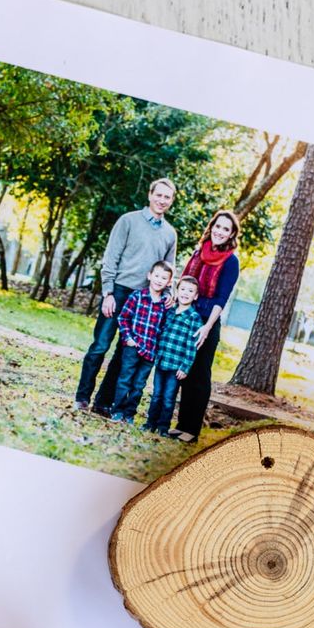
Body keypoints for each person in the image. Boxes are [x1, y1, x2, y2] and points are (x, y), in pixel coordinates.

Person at [74, 178, 177, 411]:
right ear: (150, 195)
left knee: (125, 354)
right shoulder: (128, 221)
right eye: (158, 195)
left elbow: (169, 267)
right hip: (119, 291)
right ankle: (82, 397)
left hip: (145, 299)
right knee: (100, 346)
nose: (162, 200)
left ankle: (103, 403)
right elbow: (111, 257)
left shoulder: (170, 234)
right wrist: (108, 292)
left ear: (171, 201)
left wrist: (169, 291)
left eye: (167, 197)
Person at [170, 209, 240, 443]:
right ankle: (180, 425)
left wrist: (208, 327)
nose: (220, 232)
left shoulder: (231, 261)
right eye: (218, 226)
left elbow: (222, 298)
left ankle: (192, 429)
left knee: (199, 375)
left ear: (231, 234)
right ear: (212, 227)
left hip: (206, 322)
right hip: (185, 317)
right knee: (183, 373)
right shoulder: (199, 252)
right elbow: (184, 282)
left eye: (225, 229)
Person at [109, 261, 173, 422]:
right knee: (125, 380)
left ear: (169, 282)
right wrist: (128, 338)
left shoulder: (166, 305)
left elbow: (165, 328)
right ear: (149, 275)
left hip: (151, 351)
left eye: (164, 278)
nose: (159, 280)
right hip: (133, 347)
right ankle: (117, 411)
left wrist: (159, 349)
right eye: (157, 275)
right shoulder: (137, 296)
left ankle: (129, 414)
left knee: (138, 385)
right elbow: (123, 318)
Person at [144, 275, 202, 436]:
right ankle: (150, 423)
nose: (185, 293)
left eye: (190, 291)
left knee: (169, 399)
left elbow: (192, 346)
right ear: (176, 291)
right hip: (162, 361)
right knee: (156, 395)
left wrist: (185, 367)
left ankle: (163, 427)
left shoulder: (194, 318)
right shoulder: (169, 311)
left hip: (176, 366)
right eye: (182, 289)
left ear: (195, 296)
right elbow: (160, 333)